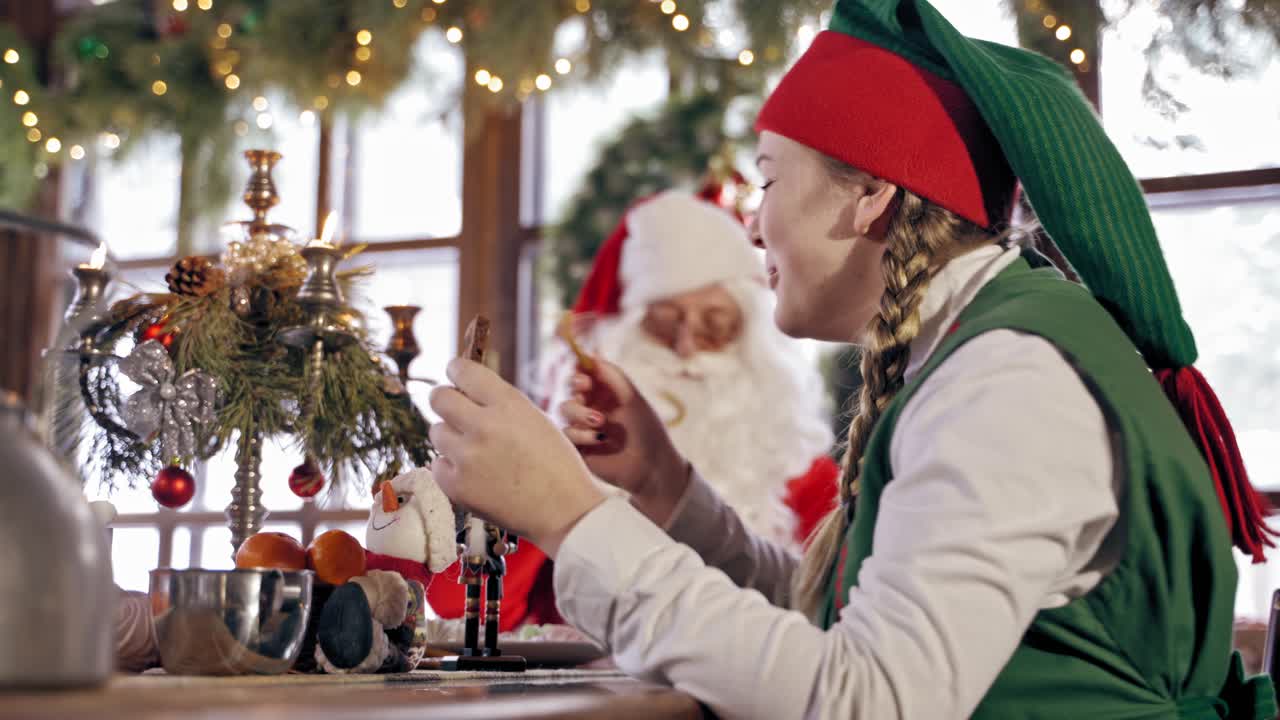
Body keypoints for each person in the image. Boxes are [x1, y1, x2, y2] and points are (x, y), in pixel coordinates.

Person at [425, 1, 1277, 717]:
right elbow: (839, 624)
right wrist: (666, 486)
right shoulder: (987, 348)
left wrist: (572, 518)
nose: (751, 222)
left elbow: (867, 699)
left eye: (769, 180)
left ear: (871, 195)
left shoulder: (1005, 382)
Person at [422, 190, 839, 630]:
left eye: (714, 325)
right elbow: (463, 611)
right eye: (664, 322)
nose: (686, 348)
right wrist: (548, 481)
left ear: (750, 338)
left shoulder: (811, 479)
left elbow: (829, 622)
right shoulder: (576, 456)